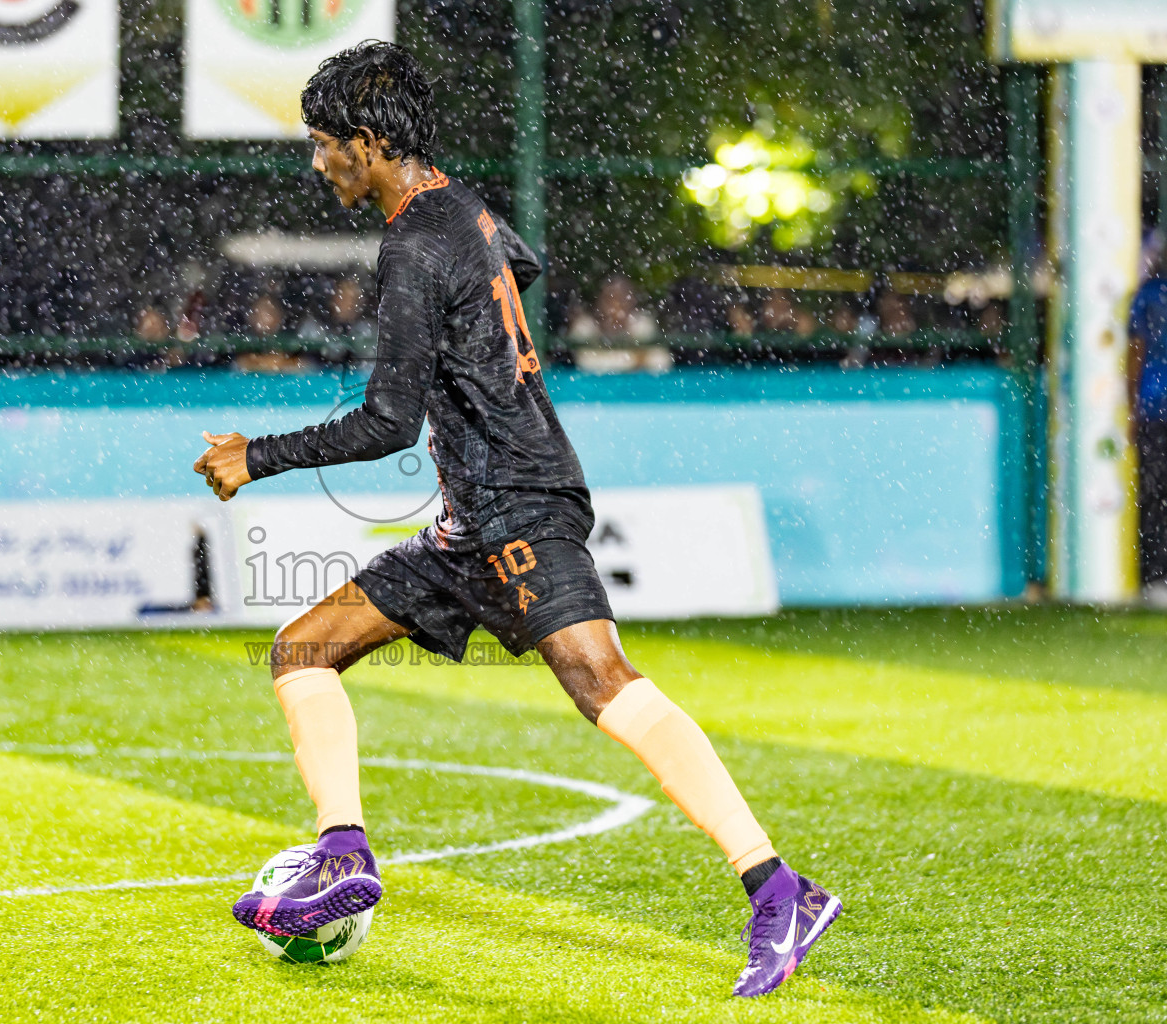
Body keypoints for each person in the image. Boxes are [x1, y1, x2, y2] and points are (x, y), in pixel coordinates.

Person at [191, 41, 840, 999]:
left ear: (369, 145)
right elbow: (519, 262)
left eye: (325, 144)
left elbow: (384, 424)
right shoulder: (466, 209)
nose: (317, 162)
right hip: (475, 516)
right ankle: (342, 852)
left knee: (602, 684)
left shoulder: (414, 242)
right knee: (304, 651)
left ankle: (779, 887)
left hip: (521, 501)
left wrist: (260, 455)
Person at [1130, 262, 1167, 604]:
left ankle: (1155, 577)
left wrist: (1131, 407)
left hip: (1154, 406)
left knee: (1153, 496)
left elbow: (1136, 353)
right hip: (1154, 406)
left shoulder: (1149, 295)